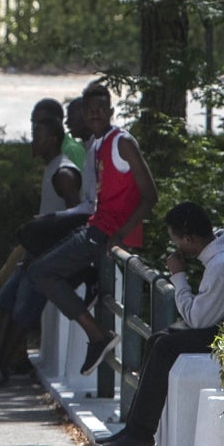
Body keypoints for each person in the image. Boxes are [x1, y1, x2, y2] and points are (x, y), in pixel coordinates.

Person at [28, 82, 158, 376]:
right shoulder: (97, 145)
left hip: (105, 234)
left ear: (111, 112)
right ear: (84, 115)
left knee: (39, 271)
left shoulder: (122, 142)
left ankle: (98, 336)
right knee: (38, 257)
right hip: (95, 228)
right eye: (90, 111)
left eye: (102, 110)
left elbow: (150, 195)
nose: (96, 115)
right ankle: (93, 313)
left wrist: (120, 236)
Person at [0, 101, 82, 388]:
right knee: (7, 298)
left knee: (22, 305)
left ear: (52, 139)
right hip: (38, 254)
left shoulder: (63, 173)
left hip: (49, 258)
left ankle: (2, 364)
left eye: (38, 135)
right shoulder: (52, 168)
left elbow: (78, 217)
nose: (32, 141)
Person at [98, 203, 224, 446]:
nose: (177, 247)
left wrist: (179, 275)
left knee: (164, 346)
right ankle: (134, 429)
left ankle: (141, 434)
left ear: (189, 238)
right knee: (157, 339)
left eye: (177, 240)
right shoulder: (222, 249)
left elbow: (197, 319)